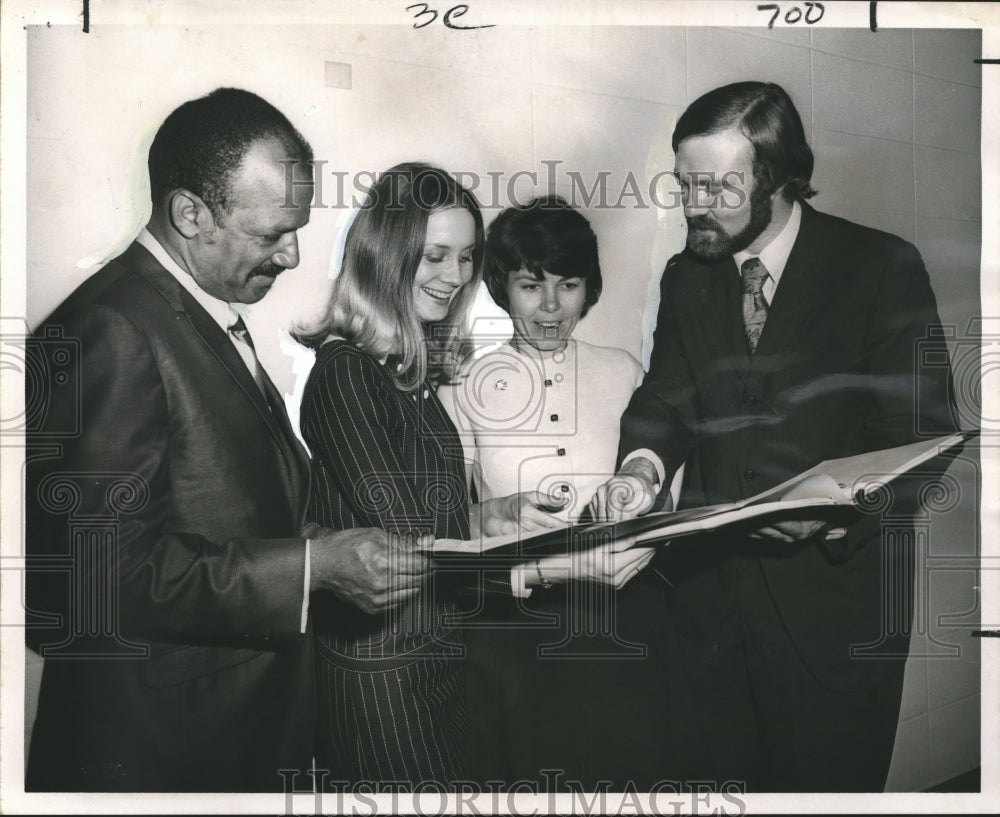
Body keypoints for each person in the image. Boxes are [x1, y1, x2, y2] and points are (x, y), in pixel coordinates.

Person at [24, 88, 425, 792]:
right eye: (272, 233)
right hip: (160, 759)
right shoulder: (112, 329)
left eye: (295, 229)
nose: (294, 254)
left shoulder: (190, 315)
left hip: (223, 739)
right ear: (189, 214)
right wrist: (311, 568)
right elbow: (95, 579)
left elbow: (247, 511)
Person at [591, 81, 957, 792]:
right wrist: (637, 470)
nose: (694, 204)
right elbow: (668, 396)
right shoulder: (686, 276)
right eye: (685, 183)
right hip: (709, 619)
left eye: (718, 186)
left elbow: (925, 436)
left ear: (778, 177)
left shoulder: (882, 266)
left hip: (835, 615)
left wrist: (830, 514)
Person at [295, 167, 652, 787]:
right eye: (435, 255)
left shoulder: (401, 374)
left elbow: (429, 517)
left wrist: (493, 513)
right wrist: (566, 565)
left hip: (431, 656)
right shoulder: (347, 371)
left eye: (464, 257)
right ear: (386, 251)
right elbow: (411, 554)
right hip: (385, 673)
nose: (455, 275)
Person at [438, 195, 670, 789]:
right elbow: (443, 526)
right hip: (514, 632)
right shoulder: (462, 385)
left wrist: (640, 511)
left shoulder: (624, 371)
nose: (549, 306)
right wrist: (495, 516)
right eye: (529, 285)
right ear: (501, 288)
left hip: (622, 621)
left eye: (568, 285)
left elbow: (663, 501)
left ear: (588, 289)